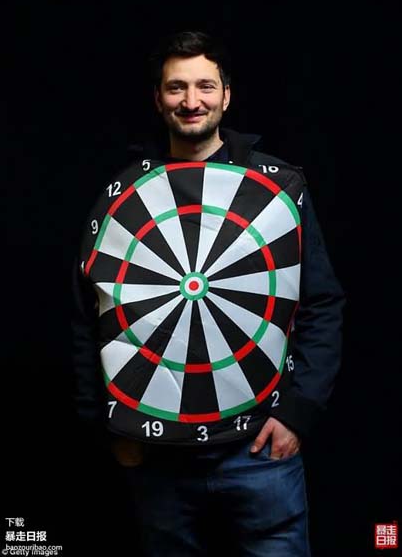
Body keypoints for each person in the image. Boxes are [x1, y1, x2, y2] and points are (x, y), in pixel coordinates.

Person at [71, 30, 345, 556]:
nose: (191, 101)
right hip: (156, 454)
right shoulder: (123, 196)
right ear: (158, 99)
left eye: (205, 86)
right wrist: (109, 427)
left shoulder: (280, 187)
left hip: (259, 451)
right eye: (176, 87)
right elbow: (88, 316)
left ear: (226, 95)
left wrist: (297, 412)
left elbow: (321, 303)